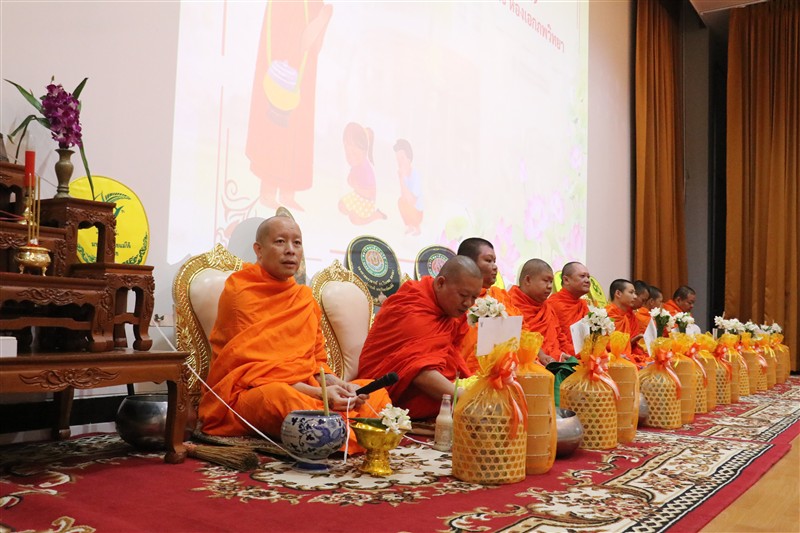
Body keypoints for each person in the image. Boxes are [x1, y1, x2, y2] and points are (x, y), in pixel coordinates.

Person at [197, 216, 390, 450]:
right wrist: (319, 395)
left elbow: (316, 363)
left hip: (307, 390)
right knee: (279, 397)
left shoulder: (304, 298)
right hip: (250, 394)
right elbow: (254, 372)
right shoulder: (241, 293)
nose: (290, 250)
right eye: (280, 242)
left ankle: (337, 429)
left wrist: (343, 387)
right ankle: (354, 432)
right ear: (258, 250)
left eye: (297, 243)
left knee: (374, 390)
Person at [357, 256, 482, 419]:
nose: (468, 304)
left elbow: (450, 357)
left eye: (474, 297)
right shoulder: (413, 309)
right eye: (463, 295)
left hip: (430, 388)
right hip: (388, 395)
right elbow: (419, 372)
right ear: (440, 283)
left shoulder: (447, 312)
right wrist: (467, 398)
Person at [246, 1, 333, 211]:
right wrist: (322, 19)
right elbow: (301, 45)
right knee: (280, 127)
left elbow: (314, 48)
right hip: (285, 76)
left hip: (299, 77)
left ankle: (287, 193)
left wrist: (323, 18)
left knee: (295, 129)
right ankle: (268, 192)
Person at [455, 238, 521, 372]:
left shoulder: (500, 296)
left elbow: (522, 331)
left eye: (494, 261)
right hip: (464, 374)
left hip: (504, 371)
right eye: (488, 260)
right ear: (469, 263)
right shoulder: (454, 297)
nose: (495, 266)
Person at [508, 259, 571, 364]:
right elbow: (515, 343)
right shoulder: (509, 304)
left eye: (551, 282)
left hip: (553, 363)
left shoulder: (548, 307)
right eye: (546, 281)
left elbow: (559, 337)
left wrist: (560, 356)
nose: (550, 286)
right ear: (528, 280)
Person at [338, 122, 386, 224]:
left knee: (354, 219)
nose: (350, 157)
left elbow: (371, 193)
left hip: (367, 202)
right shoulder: (356, 167)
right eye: (347, 154)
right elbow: (351, 180)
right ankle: (355, 211)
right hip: (357, 197)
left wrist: (357, 187)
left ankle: (376, 215)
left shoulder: (366, 170)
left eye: (354, 153)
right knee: (341, 206)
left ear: (364, 151)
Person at [547, 261, 591, 356]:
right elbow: (556, 340)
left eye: (588, 277)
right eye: (582, 276)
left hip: (584, 355)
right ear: (566, 280)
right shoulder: (554, 304)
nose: (587, 280)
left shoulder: (583, 305)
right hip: (565, 358)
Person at [605, 279, 642, 356]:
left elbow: (625, 346)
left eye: (635, 293)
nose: (635, 297)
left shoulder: (624, 316)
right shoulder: (606, 315)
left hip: (624, 357)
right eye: (631, 292)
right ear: (618, 293)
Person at [394, 139, 423, 236]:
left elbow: (412, 200)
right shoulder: (405, 176)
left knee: (405, 202)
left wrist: (402, 178)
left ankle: (417, 227)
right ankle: (410, 226)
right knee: (401, 201)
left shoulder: (415, 175)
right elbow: (403, 196)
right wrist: (401, 178)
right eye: (398, 159)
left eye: (402, 158)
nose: (399, 162)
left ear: (409, 159)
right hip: (409, 207)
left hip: (417, 211)